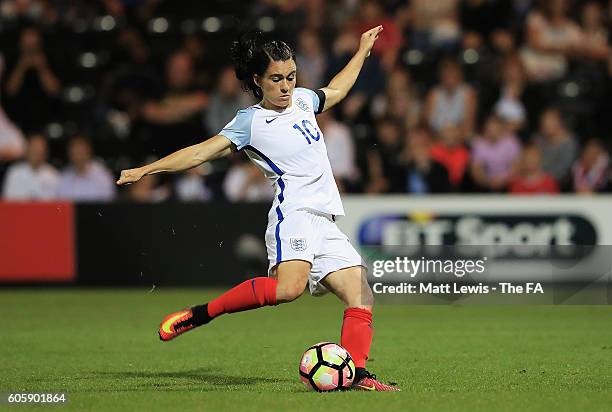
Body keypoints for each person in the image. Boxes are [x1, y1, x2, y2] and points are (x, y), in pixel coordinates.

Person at [117, 26, 400, 391]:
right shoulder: (249, 122)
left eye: (291, 77)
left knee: (360, 292)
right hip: (294, 214)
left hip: (324, 219)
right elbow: (202, 151)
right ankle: (201, 314)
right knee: (287, 290)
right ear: (258, 80)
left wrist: (362, 51)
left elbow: (338, 89)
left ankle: (357, 374)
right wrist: (146, 169)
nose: (285, 86)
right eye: (277, 79)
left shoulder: (301, 100)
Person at [2, 134, 59, 200]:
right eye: (33, 146)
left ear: (46, 151)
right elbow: (7, 202)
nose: (37, 150)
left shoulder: (53, 174)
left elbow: (58, 204)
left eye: (40, 147)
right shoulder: (14, 172)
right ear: (26, 149)